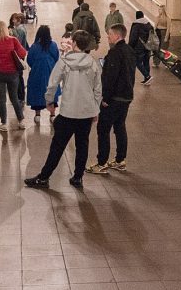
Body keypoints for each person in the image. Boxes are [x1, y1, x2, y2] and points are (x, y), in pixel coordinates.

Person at [24, 30, 103, 189]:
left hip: (68, 112)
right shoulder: (93, 63)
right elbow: (98, 90)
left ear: (74, 43)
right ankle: (78, 177)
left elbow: (52, 84)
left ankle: (44, 177)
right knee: (82, 146)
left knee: (57, 146)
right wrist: (96, 111)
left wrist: (49, 101)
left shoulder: (64, 62)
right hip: (86, 113)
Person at [88, 24, 136, 175]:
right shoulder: (129, 51)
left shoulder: (115, 52)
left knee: (103, 129)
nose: (108, 37)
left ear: (117, 36)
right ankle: (120, 160)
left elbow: (110, 78)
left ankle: (101, 163)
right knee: (120, 127)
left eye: (109, 34)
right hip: (126, 96)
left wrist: (105, 98)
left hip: (114, 98)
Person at [0, 20, 27, 132]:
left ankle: (4, 123)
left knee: (2, 99)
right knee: (14, 98)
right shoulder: (13, 40)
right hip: (13, 74)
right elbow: (23, 53)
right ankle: (21, 121)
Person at [26, 25, 60, 123]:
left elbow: (30, 60)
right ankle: (52, 115)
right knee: (51, 93)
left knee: (37, 92)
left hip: (37, 74)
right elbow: (56, 58)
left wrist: (36, 67)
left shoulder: (34, 46)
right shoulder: (53, 45)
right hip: (50, 73)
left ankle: (37, 115)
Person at [127, 11, 155, 85]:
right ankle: (147, 79)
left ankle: (147, 76)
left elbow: (133, 38)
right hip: (148, 47)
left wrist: (130, 46)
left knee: (137, 62)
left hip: (139, 48)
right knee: (146, 62)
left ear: (136, 17)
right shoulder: (149, 25)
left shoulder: (136, 26)